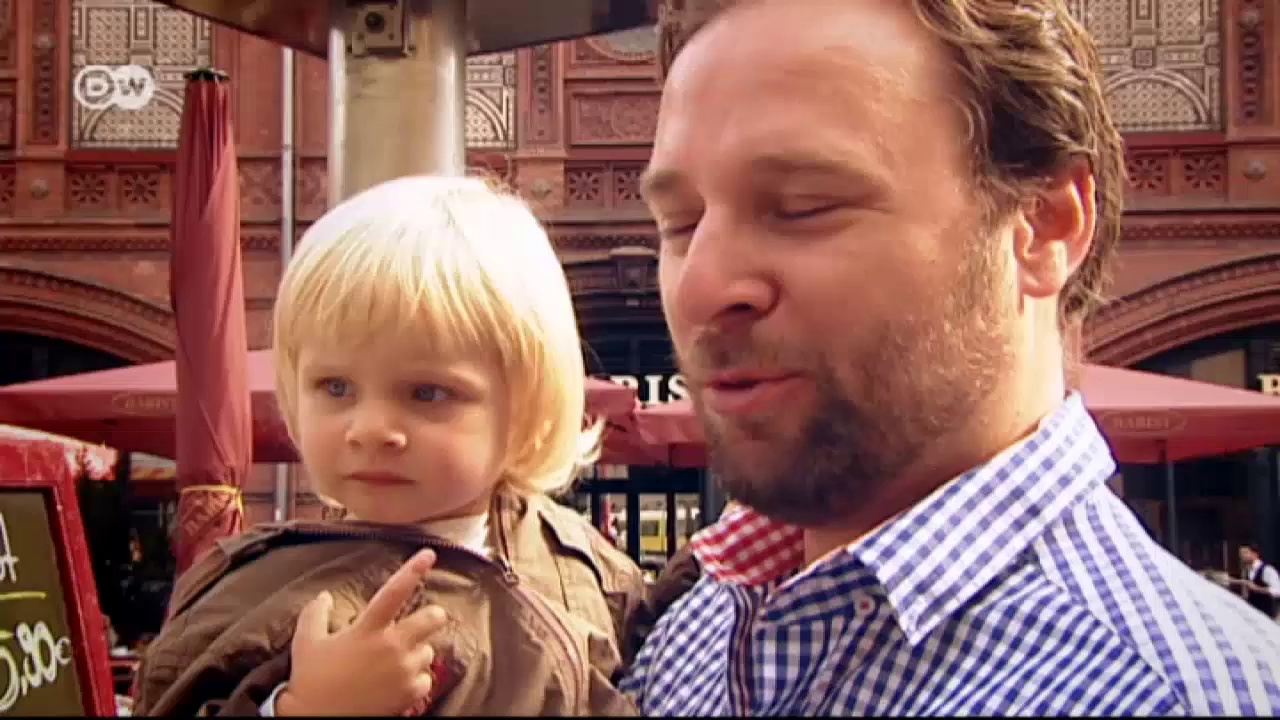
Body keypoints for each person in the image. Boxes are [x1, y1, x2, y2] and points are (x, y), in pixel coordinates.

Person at [616, 0, 1280, 715]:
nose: (700, 287)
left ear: (1045, 225)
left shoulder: (1178, 696)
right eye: (679, 224)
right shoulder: (687, 643)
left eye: (805, 205)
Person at [131, 175, 646, 716]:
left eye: (427, 393)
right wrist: (304, 710)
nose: (370, 429)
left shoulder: (585, 564)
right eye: (336, 387)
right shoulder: (255, 593)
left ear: (528, 408)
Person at [1229, 543, 1280, 619]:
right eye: (1241, 554)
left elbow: (1277, 591)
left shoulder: (1267, 570)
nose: (1242, 556)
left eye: (1245, 553)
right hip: (1253, 615)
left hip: (1266, 615)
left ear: (1255, 554)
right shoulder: (1247, 571)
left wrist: (1257, 588)